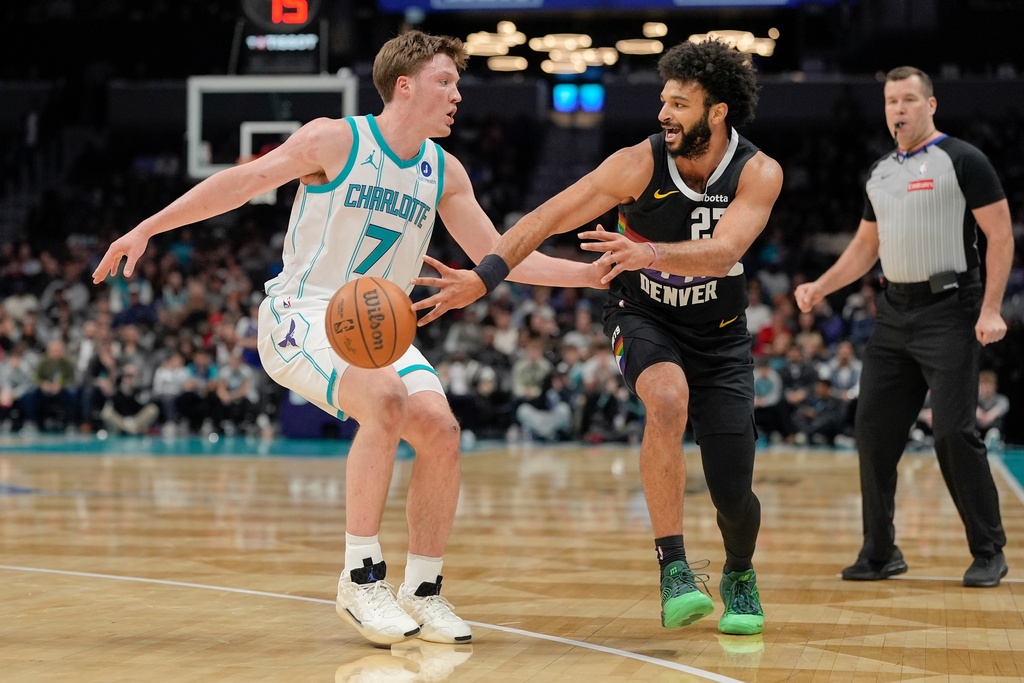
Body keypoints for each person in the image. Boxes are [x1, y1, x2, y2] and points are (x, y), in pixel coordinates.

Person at [92, 30, 604, 646]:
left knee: (441, 432)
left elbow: (501, 257)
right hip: (303, 314)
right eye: (447, 81)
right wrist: (147, 227)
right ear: (405, 85)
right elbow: (239, 183)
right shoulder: (335, 139)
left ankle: (424, 588)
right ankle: (360, 579)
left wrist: (591, 274)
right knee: (385, 400)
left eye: (458, 85)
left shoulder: (445, 173)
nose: (458, 95)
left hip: (375, 331)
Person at [413, 39, 782, 636]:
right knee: (664, 398)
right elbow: (544, 218)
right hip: (644, 315)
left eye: (680, 104)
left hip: (719, 335)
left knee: (733, 491)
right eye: (663, 99)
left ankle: (739, 570)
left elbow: (724, 253)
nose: (664, 113)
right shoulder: (637, 162)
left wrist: (649, 251)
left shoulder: (759, 171)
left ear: (717, 112)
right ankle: (675, 568)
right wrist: (484, 279)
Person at [794, 66, 1013, 588]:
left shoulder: (963, 160)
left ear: (931, 105)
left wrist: (991, 308)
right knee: (872, 433)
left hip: (951, 309)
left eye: (910, 99)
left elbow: (1000, 237)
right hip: (893, 314)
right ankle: (879, 552)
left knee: (953, 433)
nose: (899, 108)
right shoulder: (880, 172)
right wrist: (822, 286)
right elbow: (866, 247)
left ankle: (988, 551)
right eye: (892, 100)